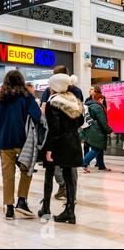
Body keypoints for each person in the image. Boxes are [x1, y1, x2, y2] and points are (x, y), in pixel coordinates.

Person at [0, 70, 41, 220]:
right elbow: (37, 116)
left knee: (8, 176)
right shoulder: (26, 97)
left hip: (5, 142)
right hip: (23, 142)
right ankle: (21, 200)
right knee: (27, 172)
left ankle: (9, 208)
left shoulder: (0, 99)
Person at [40, 74, 84, 224]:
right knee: (69, 177)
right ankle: (70, 212)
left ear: (55, 86)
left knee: (49, 175)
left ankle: (45, 208)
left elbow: (54, 129)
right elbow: (81, 121)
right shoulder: (73, 100)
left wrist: (49, 149)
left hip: (58, 144)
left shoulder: (54, 102)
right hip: (73, 142)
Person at [81, 93, 113, 173]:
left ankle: (101, 166)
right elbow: (102, 120)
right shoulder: (97, 107)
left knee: (99, 148)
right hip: (96, 130)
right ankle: (84, 164)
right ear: (99, 99)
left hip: (89, 129)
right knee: (96, 149)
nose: (103, 101)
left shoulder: (88, 105)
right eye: (102, 100)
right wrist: (109, 130)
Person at [83, 85, 107, 162]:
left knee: (98, 146)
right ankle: (85, 162)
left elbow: (103, 113)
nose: (90, 90)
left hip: (97, 126)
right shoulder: (88, 100)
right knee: (90, 146)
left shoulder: (102, 99)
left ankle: (99, 163)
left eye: (92, 89)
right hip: (89, 125)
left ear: (96, 91)